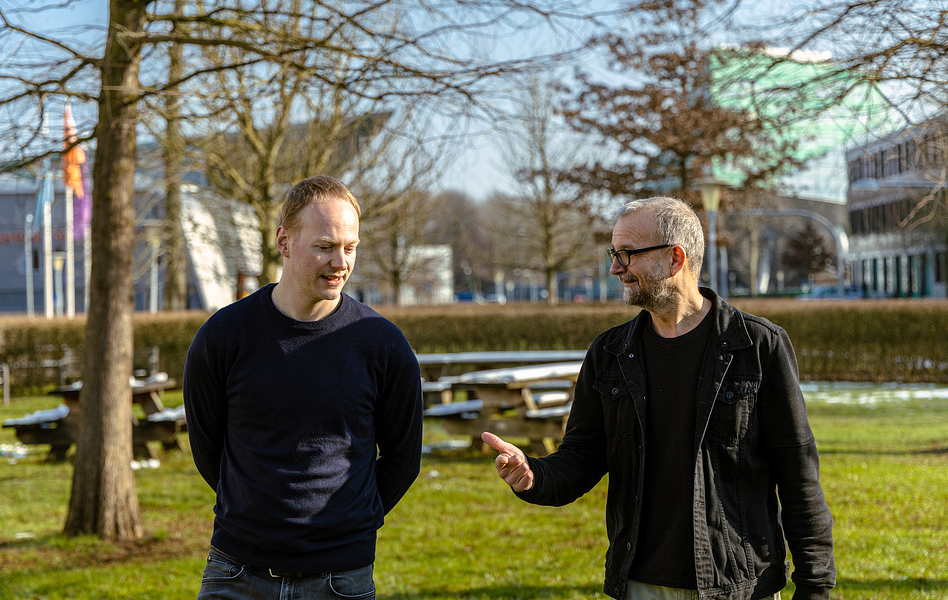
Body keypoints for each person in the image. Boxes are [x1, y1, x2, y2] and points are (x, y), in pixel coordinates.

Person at [482, 196, 836, 600]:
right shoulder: (609, 353)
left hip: (739, 588)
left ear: (675, 258)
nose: (616, 267)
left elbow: (798, 476)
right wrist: (534, 475)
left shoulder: (756, 346)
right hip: (638, 585)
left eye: (628, 254)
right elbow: (582, 457)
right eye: (614, 253)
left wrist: (815, 587)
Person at [183, 174, 424, 600]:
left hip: (340, 580)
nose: (340, 262)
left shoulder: (382, 344)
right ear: (284, 241)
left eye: (350, 248)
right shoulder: (223, 337)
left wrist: (347, 523)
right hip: (234, 574)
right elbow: (208, 448)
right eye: (325, 247)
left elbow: (403, 460)